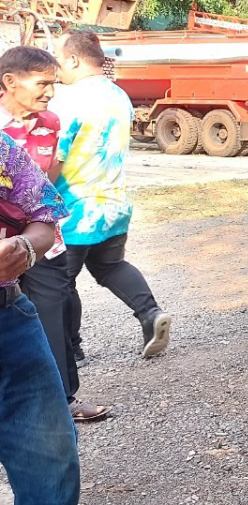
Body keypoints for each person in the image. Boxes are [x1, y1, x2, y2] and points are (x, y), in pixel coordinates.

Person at [0, 130, 100, 505]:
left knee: (51, 456)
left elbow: (45, 212)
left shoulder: (2, 148)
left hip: (11, 319)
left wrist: (24, 246)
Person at [0, 47, 109, 421]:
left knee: (52, 312)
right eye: (42, 83)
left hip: (41, 238)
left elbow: (52, 173)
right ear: (9, 82)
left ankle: (62, 401)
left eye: (53, 83)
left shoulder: (50, 122)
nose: (49, 91)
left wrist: (35, 222)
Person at [53, 31, 171, 360]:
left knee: (61, 279)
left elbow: (58, 156)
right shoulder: (119, 96)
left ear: (74, 60)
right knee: (110, 266)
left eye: (58, 59)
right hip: (114, 203)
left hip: (74, 208)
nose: (56, 68)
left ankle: (70, 350)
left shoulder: (66, 99)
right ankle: (150, 314)